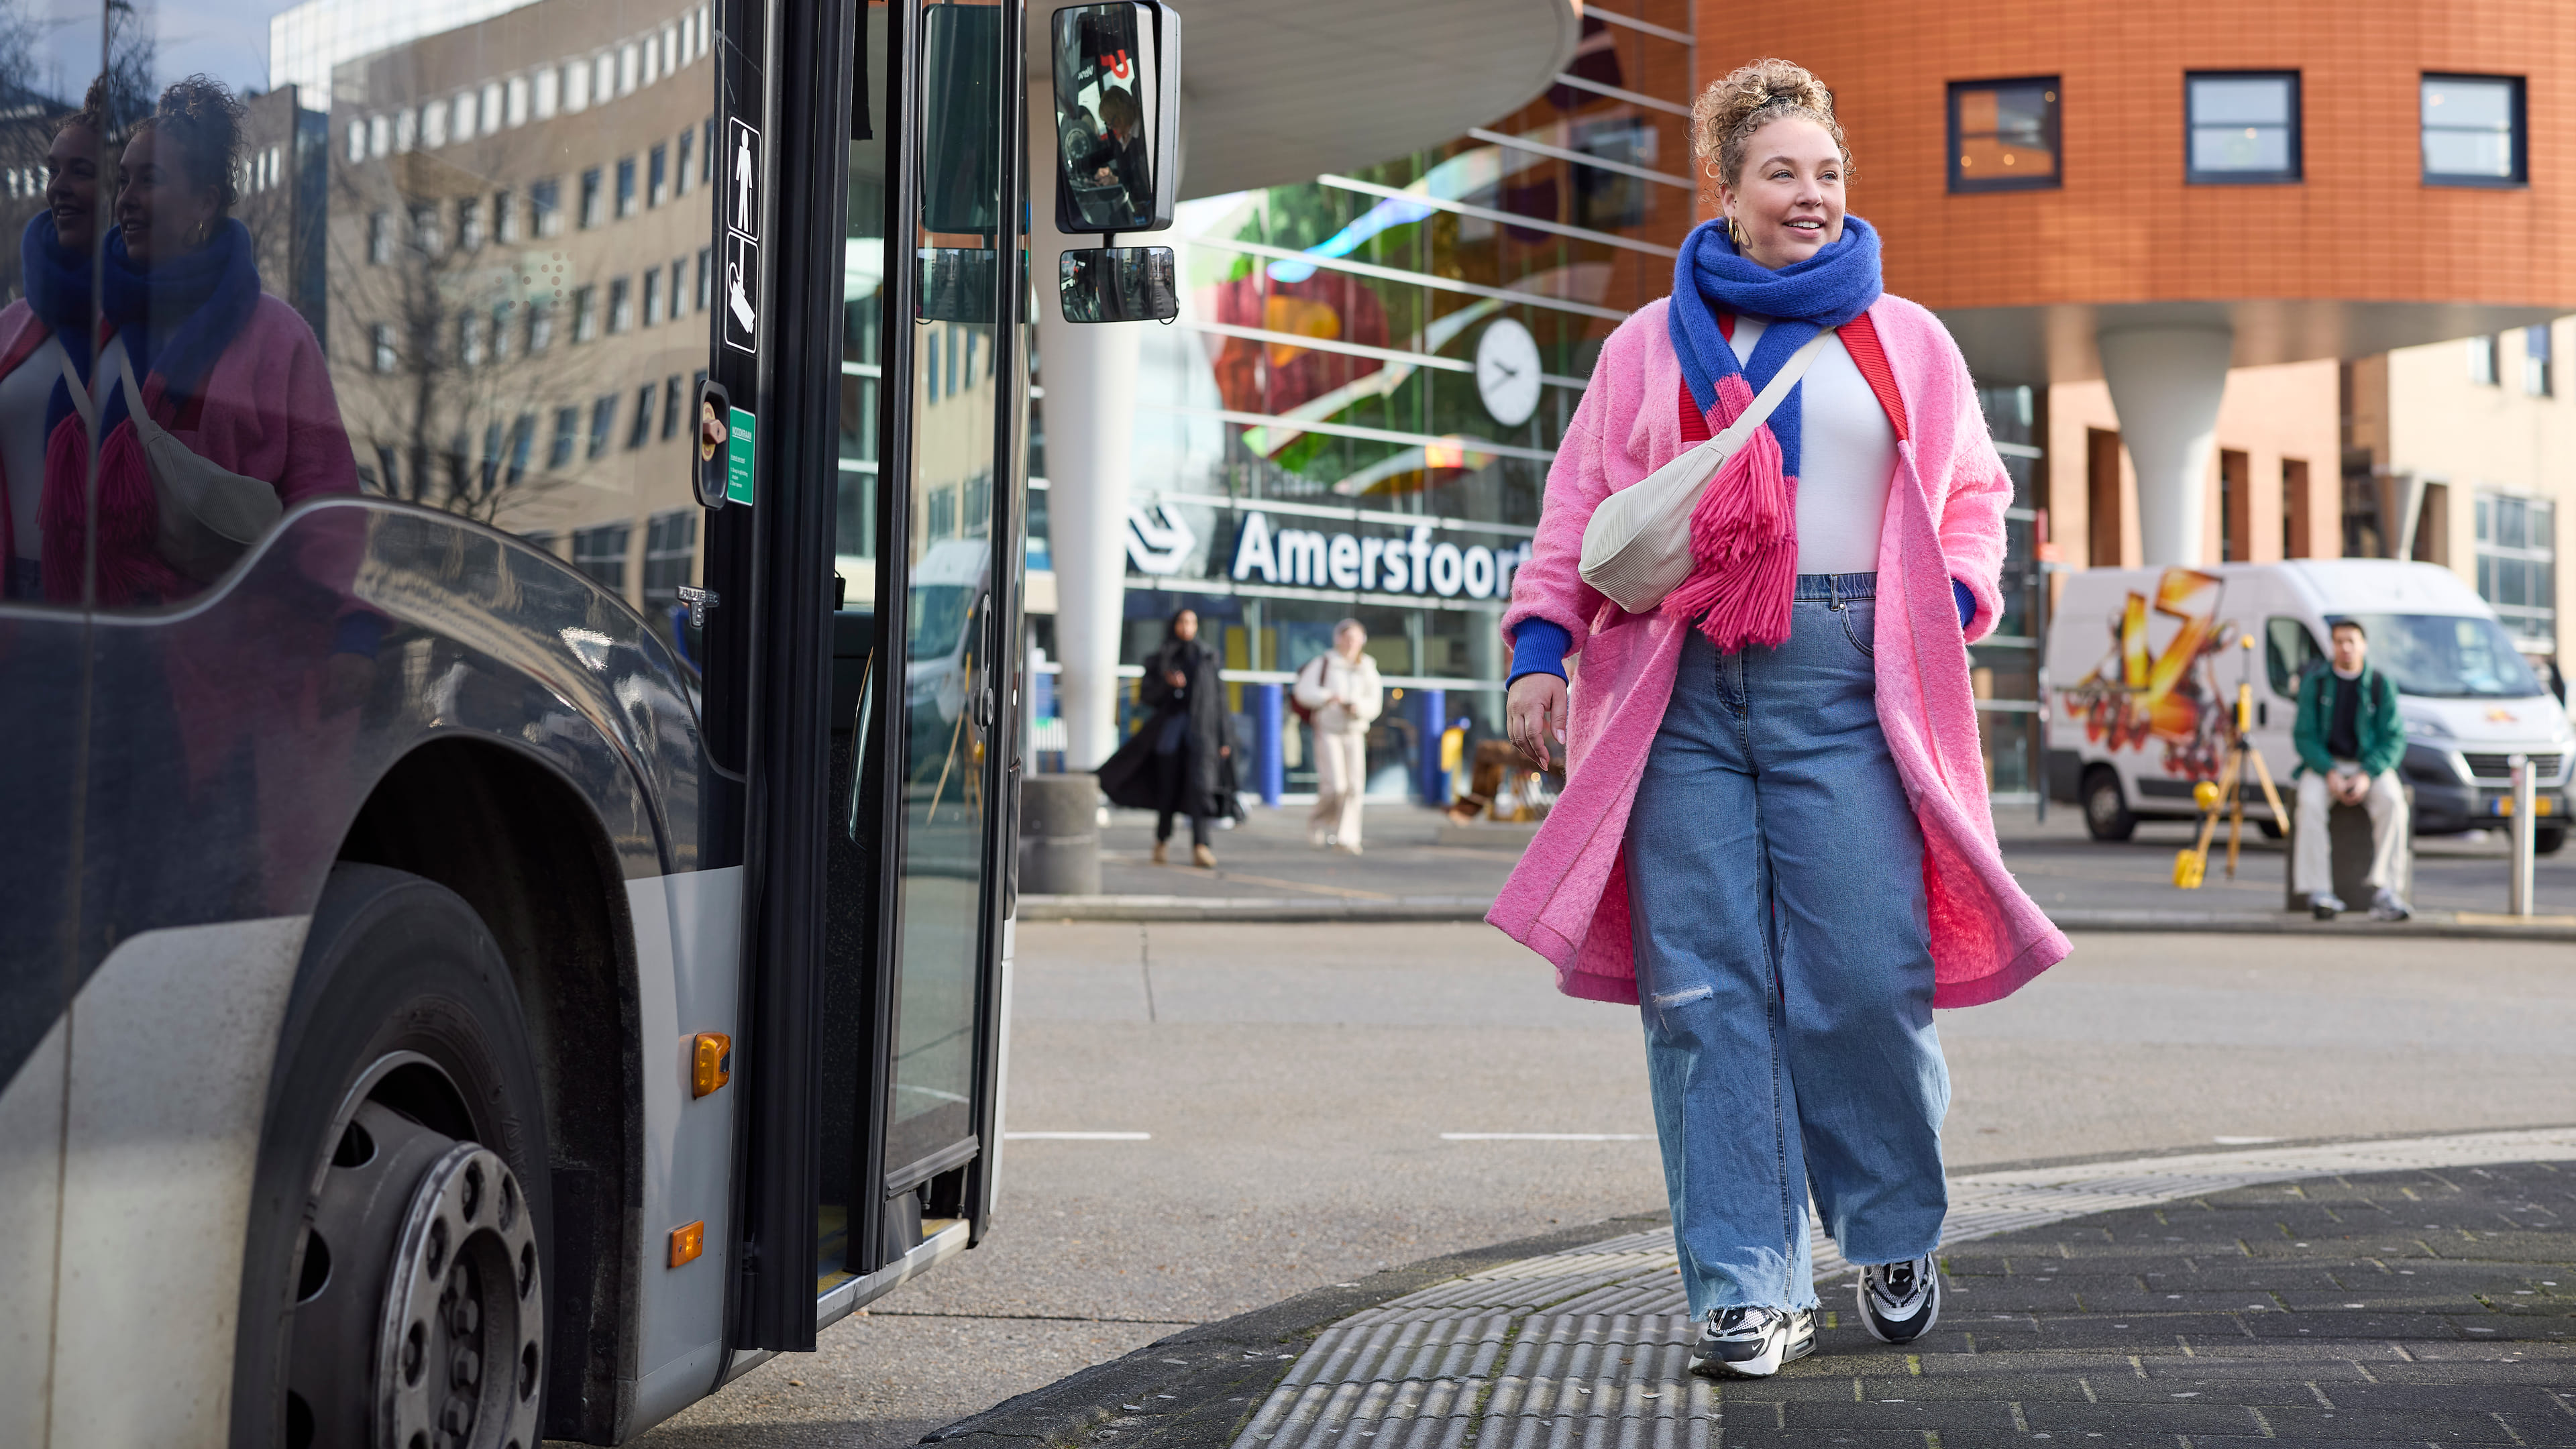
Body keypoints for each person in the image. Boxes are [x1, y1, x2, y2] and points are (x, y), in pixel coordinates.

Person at [1487, 58, 2068, 1381]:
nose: (1811, 197)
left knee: (1864, 978)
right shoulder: (1648, 342)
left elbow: (1975, 496)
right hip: (1674, 692)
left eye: (1828, 175)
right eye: (1782, 175)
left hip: (1854, 688)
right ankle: (1746, 1283)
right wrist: (1539, 647)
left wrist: (1961, 595)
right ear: (1729, 192)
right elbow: (1579, 510)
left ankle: (1890, 1223)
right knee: (1704, 998)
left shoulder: (1906, 338)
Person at [0, 75, 357, 608]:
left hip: (198, 643)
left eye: (151, 180)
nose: (127, 200)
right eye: (123, 181)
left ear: (205, 204)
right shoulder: (90, 313)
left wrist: (354, 631)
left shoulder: (276, 336)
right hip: (54, 626)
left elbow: (327, 501)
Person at [0, 78, 107, 600]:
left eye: (81, 172)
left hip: (107, 603)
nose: (58, 187)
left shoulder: (149, 325)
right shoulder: (12, 324)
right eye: (52, 171)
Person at [1097, 608, 1240, 867]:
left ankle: (1201, 846)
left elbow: (1220, 701)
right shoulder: (1161, 658)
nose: (1187, 627)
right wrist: (1168, 685)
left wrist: (1225, 739)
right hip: (1170, 736)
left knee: (1200, 791)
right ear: (1174, 624)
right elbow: (1148, 696)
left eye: (1192, 622)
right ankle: (1161, 842)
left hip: (1201, 736)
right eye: (1182, 622)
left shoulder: (1207, 657)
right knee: (1167, 791)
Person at [2292, 619, 2410, 921]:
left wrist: (2367, 774)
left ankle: (2386, 891)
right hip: (2325, 765)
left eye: (2351, 641)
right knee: (2308, 804)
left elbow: (2394, 738)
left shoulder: (2380, 684)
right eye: (2339, 641)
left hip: (2368, 765)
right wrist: (2328, 770)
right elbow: (2304, 735)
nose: (2345, 648)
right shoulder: (2316, 682)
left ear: (2363, 645)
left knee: (2394, 803)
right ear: (2332, 646)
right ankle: (2319, 891)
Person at [1293, 618, 1384, 853]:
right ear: (1338, 639)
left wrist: (1358, 708)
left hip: (1354, 731)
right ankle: (1318, 822)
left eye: (1355, 638)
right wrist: (1327, 697)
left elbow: (1375, 703)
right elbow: (1302, 691)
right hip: (1328, 730)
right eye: (1347, 637)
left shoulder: (1368, 668)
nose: (1351, 642)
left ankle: (1347, 837)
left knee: (1355, 786)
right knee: (1335, 785)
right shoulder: (1324, 662)